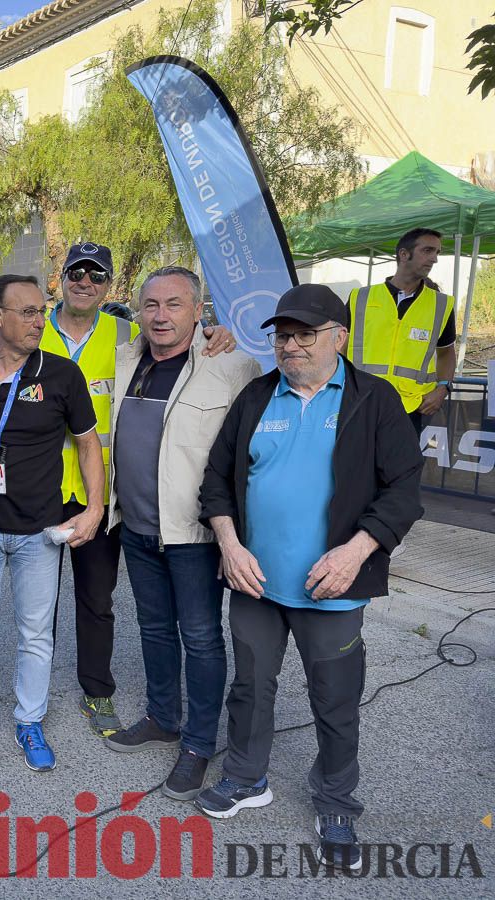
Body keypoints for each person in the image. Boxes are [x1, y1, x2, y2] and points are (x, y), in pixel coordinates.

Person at [196, 284, 423, 870]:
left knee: (335, 697)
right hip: (255, 582)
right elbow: (216, 480)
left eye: (304, 335)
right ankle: (247, 778)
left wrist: (358, 551)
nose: (289, 346)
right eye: (281, 335)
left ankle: (336, 801)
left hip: (334, 585)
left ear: (339, 338)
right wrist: (228, 542)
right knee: (249, 688)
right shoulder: (256, 396)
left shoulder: (374, 400)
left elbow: (403, 490)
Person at [28, 242, 233, 738]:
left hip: (102, 493)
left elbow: (184, 345)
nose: (84, 281)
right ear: (61, 276)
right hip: (38, 489)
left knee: (97, 600)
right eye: (76, 271)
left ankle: (97, 691)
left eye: (96, 275)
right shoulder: (32, 330)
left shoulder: (127, 334)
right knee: (36, 604)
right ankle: (29, 701)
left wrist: (215, 334)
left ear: (108, 285)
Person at [101, 267, 260, 801]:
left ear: (199, 311)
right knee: (154, 630)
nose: (160, 315)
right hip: (136, 526)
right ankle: (163, 717)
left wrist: (237, 532)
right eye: (150, 304)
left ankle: (198, 744)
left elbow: (246, 456)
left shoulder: (232, 365)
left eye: (174, 304)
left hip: (194, 533)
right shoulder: (126, 359)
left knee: (200, 638)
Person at [0, 274, 106, 772]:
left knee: (36, 632)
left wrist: (96, 508)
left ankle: (29, 719)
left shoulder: (61, 375)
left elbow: (87, 444)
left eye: (42, 311)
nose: (39, 320)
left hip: (42, 529)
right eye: (27, 312)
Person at [347, 227, 455, 432]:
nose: (434, 259)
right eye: (428, 251)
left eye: (437, 252)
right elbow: (337, 347)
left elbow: (446, 353)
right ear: (403, 254)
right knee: (355, 463)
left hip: (412, 407)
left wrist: (443, 389)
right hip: (360, 402)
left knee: (402, 465)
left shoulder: (441, 304)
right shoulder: (360, 297)